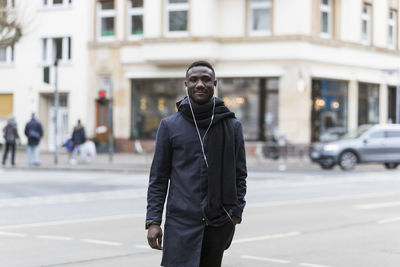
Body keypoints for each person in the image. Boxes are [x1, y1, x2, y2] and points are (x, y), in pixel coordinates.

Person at [146, 61, 247, 267]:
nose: (200, 84)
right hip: (180, 224)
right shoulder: (169, 126)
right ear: (186, 84)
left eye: (206, 79)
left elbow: (240, 175)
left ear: (214, 83)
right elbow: (158, 178)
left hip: (217, 223)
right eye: (194, 80)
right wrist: (153, 221)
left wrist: (235, 215)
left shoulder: (232, 126)